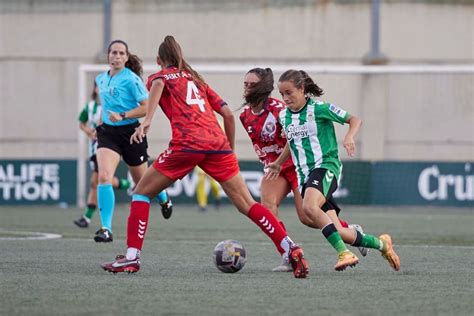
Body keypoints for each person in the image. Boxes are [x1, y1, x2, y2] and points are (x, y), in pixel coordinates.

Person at [101, 35, 309, 278]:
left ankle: (131, 257)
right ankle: (290, 248)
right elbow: (228, 115)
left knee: (141, 193)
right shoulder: (197, 80)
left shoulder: (159, 77)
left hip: (187, 144)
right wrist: (230, 151)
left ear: (159, 60)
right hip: (217, 145)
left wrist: (146, 121)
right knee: (248, 204)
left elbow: (158, 86)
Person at [267, 69, 400, 271]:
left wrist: (349, 137)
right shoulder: (284, 116)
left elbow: (355, 120)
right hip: (305, 176)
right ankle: (382, 245)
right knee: (333, 227)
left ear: (302, 89)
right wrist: (278, 162)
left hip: (326, 167)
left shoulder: (319, 108)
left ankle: (344, 253)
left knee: (309, 208)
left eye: (289, 92)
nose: (285, 98)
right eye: (282, 93)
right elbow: (292, 142)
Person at [239, 67, 369, 272]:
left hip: (301, 166)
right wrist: (275, 163)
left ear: (263, 87)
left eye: (252, 84)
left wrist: (349, 137)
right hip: (278, 168)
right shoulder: (245, 116)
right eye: (245, 84)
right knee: (267, 206)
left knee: (308, 217)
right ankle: (288, 252)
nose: (247, 87)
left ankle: (349, 232)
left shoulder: (279, 109)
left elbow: (298, 136)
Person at [93, 39, 172, 243]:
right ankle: (106, 228)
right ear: (108, 56)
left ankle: (163, 199)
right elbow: (106, 105)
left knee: (142, 182)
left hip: (131, 133)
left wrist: (124, 114)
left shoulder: (131, 79)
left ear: (126, 58)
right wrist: (100, 123)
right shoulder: (101, 78)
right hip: (108, 134)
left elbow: (147, 107)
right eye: (113, 52)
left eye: (121, 53)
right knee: (104, 177)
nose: (117, 56)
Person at [74, 81, 131, 228]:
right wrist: (89, 132)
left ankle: (87, 217)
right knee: (98, 181)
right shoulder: (91, 106)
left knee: (97, 181)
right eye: (98, 86)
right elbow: (81, 123)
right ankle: (127, 184)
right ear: (95, 88)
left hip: (107, 147)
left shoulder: (112, 105)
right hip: (94, 148)